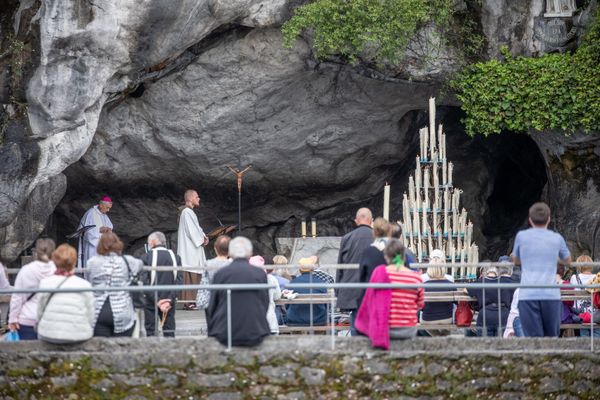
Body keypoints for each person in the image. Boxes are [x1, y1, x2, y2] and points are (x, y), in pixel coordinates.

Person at [511, 202, 571, 337]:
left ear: (530, 220)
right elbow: (567, 260)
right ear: (549, 219)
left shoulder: (522, 236)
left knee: (533, 338)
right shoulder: (556, 238)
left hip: (528, 295)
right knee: (551, 337)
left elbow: (515, 260)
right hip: (550, 295)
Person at [355, 239, 424, 350]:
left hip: (385, 329)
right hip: (408, 330)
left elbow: (370, 300)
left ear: (386, 257)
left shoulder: (379, 273)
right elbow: (420, 305)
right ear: (403, 255)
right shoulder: (416, 277)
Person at [207, 237, 270, 346]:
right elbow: (264, 302)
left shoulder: (221, 274)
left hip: (225, 332)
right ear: (250, 253)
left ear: (230, 253)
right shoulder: (259, 274)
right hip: (255, 331)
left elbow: (213, 305)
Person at [87, 232, 142, 337]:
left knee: (101, 348)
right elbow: (140, 264)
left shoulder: (92, 262)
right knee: (122, 348)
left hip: (98, 311)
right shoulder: (128, 261)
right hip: (122, 310)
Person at [36, 244, 95, 343]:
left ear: (54, 261)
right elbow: (91, 316)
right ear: (74, 262)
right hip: (79, 335)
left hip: (49, 333)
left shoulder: (45, 283)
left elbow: (39, 312)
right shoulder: (85, 284)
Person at [8, 238, 56, 340]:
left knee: (27, 354)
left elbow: (17, 297)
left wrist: (12, 319)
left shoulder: (26, 270)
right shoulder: (57, 271)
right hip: (51, 319)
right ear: (53, 252)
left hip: (28, 319)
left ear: (36, 253)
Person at [337, 207, 374, 335]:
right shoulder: (379, 238)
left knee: (356, 326)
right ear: (371, 221)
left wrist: (339, 292)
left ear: (356, 221)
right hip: (374, 288)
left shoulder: (347, 238)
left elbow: (340, 267)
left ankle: (356, 352)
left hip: (352, 289)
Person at [140, 231, 183, 337]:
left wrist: (157, 301)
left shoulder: (146, 257)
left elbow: (144, 282)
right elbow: (179, 281)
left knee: (151, 332)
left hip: (151, 300)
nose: (149, 245)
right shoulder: (176, 257)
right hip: (169, 301)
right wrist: (169, 300)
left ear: (154, 242)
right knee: (169, 331)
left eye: (149, 242)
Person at [177, 189, 208, 310]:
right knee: (190, 275)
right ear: (190, 199)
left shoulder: (189, 212)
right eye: (197, 196)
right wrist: (202, 239)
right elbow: (193, 232)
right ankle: (189, 302)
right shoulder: (186, 212)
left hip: (192, 250)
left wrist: (204, 237)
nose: (199, 198)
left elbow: (198, 229)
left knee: (194, 274)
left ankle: (192, 301)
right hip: (189, 252)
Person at [467, 264, 515, 337]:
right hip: (503, 314)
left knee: (484, 344)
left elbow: (466, 289)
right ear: (497, 273)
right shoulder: (505, 281)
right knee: (501, 344)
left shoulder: (481, 282)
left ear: (485, 273)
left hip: (486, 314)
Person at [285, 256, 328, 326]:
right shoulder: (321, 283)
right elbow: (327, 305)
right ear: (312, 269)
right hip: (318, 321)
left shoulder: (292, 283)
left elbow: (287, 305)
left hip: (295, 321)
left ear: (300, 270)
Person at [196, 235, 232, 318]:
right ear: (230, 250)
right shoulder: (232, 265)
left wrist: (201, 301)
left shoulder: (208, 264)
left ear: (215, 248)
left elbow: (204, 285)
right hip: (228, 302)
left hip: (211, 302)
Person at [77, 196, 113, 268]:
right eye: (107, 208)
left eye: (109, 208)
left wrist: (107, 229)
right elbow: (87, 232)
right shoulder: (90, 213)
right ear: (101, 205)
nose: (108, 210)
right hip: (92, 247)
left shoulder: (103, 214)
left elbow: (110, 226)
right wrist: (99, 231)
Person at [250, 255, 281, 334]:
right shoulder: (271, 279)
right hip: (269, 320)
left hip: (252, 322)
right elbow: (277, 296)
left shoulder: (247, 279)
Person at [420, 264, 454, 336]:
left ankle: (437, 338)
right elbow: (457, 302)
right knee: (446, 331)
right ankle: (442, 339)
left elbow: (420, 305)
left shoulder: (423, 285)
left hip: (428, 320)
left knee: (422, 320)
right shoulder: (450, 284)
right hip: (447, 319)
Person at [570, 255, 599, 337]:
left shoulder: (574, 278)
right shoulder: (597, 277)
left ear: (579, 266)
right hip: (596, 315)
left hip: (580, 316)